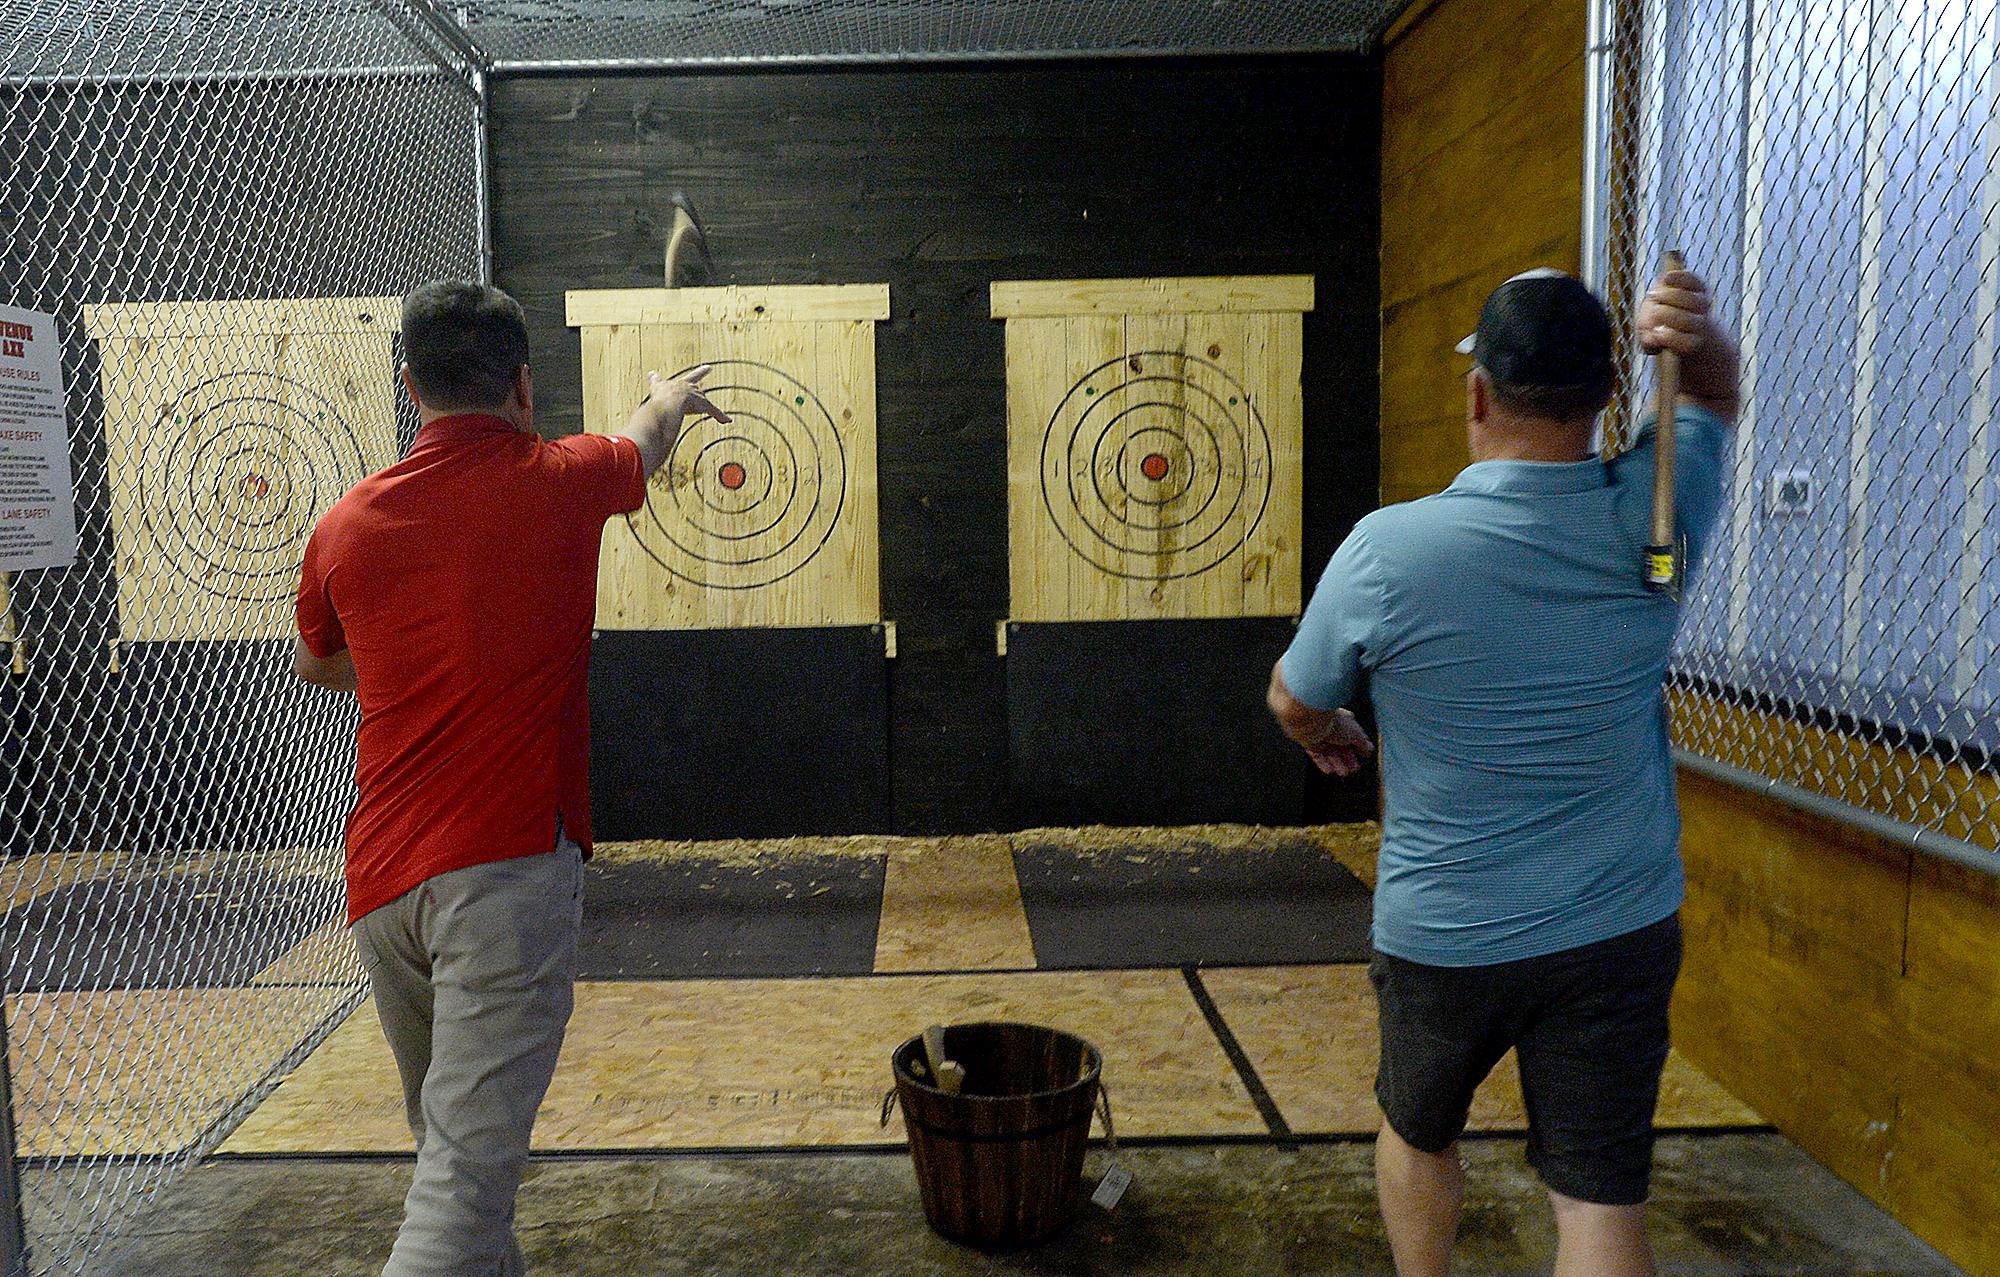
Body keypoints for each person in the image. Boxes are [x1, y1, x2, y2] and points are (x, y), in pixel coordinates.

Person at [1268, 265, 1740, 1277]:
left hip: (1446, 931)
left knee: (1416, 1127)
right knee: (1598, 1197)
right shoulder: (1652, 520)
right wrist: (1689, 334)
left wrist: (1326, 731)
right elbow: (1709, 398)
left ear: (1477, 395)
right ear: (1606, 395)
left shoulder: (1386, 550)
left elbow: (1293, 698)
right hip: (1615, 927)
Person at [292, 279, 725, 1276]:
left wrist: (425, 649)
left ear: (410, 386)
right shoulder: (562, 478)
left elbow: (318, 661)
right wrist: (669, 392)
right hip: (503, 881)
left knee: (456, 1165)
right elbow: (647, 434)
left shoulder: (343, 526)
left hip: (381, 887)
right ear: (524, 385)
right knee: (459, 1190)